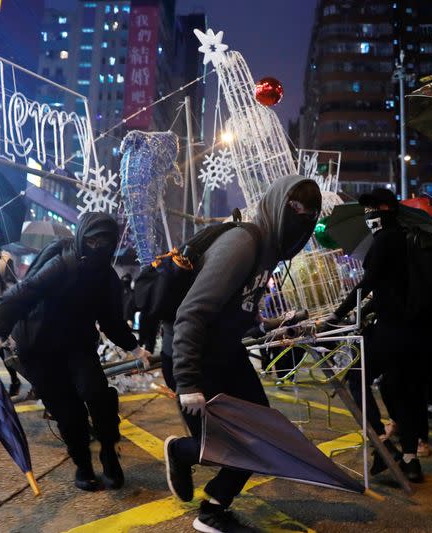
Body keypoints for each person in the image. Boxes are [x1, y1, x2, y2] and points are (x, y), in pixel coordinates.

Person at [163, 175, 321, 532]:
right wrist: (188, 381)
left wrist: (270, 325)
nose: (301, 217)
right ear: (279, 203)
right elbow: (193, 313)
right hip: (195, 357)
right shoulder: (243, 242)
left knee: (260, 431)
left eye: (309, 212)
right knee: (222, 443)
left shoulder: (269, 252)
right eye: (295, 207)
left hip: (226, 353)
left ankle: (214, 506)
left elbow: (238, 311)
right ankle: (183, 453)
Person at [0, 212, 151, 491]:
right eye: (93, 240)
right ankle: (82, 464)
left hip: (78, 345)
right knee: (67, 412)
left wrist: (136, 349)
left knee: (98, 395)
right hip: (39, 347)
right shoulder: (61, 265)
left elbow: (112, 320)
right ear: (81, 239)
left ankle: (109, 452)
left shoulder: (107, 278)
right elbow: (18, 297)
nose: (99, 246)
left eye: (106, 241)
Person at [326, 187, 432, 483]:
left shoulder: (386, 240)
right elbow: (390, 288)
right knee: (403, 392)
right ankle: (411, 461)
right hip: (416, 333)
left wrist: (338, 313)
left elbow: (369, 282)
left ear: (386, 210)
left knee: (356, 378)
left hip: (393, 329)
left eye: (372, 209)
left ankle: (383, 445)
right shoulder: (413, 241)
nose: (368, 215)